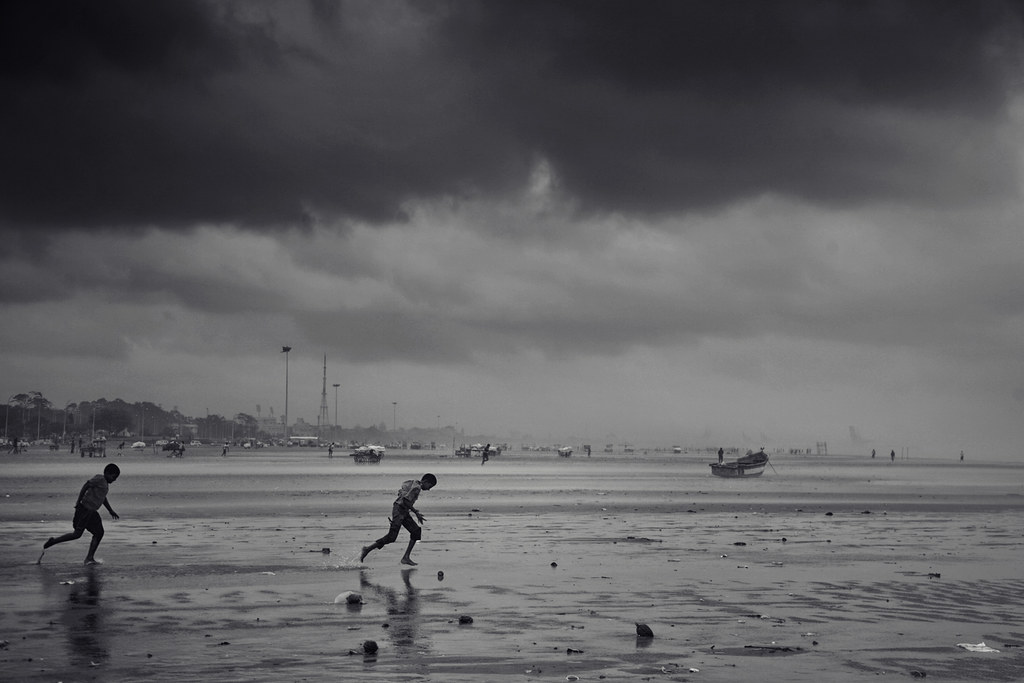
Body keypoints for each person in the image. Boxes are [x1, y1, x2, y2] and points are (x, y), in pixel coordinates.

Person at [41, 463, 121, 565]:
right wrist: (78, 501)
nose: (114, 480)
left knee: (99, 533)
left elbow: (102, 497)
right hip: (86, 510)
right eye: (113, 477)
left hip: (92, 512)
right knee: (77, 534)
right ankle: (53, 542)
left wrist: (110, 510)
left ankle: (90, 557)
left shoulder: (104, 484)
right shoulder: (100, 479)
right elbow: (86, 485)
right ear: (107, 473)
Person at [360, 474, 437, 566]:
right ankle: (367, 549)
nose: (429, 489)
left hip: (403, 510)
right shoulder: (417, 488)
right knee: (391, 537)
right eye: (430, 486)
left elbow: (403, 489)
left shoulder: (414, 482)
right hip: (399, 510)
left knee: (416, 531)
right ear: (425, 482)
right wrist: (416, 512)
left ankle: (406, 557)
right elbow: (405, 500)